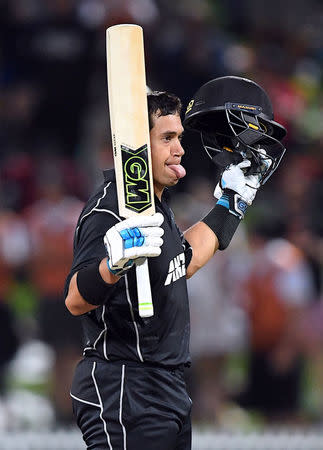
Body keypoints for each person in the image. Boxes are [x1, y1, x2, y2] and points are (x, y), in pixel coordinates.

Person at [65, 76, 286, 449]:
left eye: (179, 137)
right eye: (167, 138)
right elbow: (74, 298)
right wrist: (112, 266)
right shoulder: (111, 208)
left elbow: (183, 262)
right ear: (135, 147)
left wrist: (232, 201)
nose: (180, 149)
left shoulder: (154, 208)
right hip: (125, 386)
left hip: (165, 387)